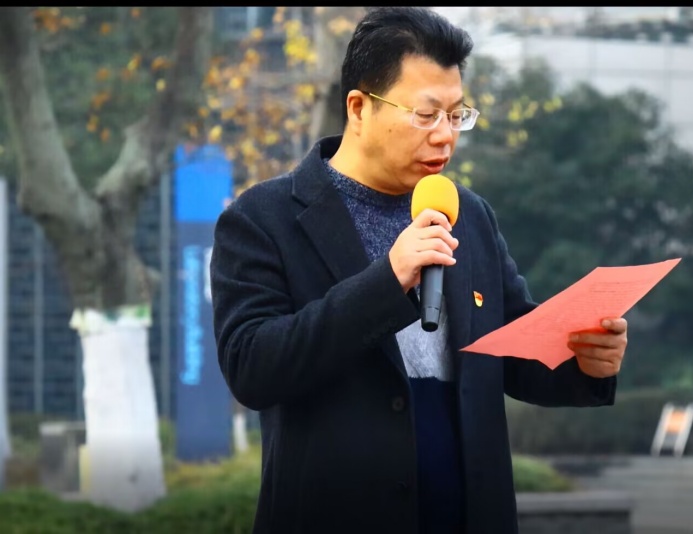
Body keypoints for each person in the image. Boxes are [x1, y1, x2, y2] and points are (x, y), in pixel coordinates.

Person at [210, 6, 627, 534]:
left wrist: (587, 361)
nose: (445, 135)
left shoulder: (468, 214)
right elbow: (252, 368)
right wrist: (388, 280)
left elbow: (510, 353)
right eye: (426, 115)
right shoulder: (264, 218)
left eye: (457, 115)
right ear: (359, 108)